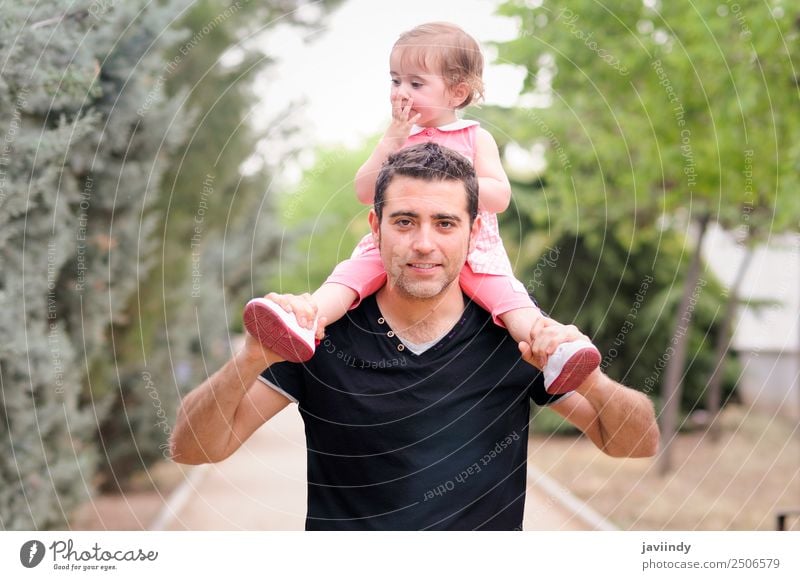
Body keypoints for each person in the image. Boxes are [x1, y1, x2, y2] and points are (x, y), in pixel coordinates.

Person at [171, 142, 660, 531]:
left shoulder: (515, 340)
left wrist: (591, 380)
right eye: (404, 221)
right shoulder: (316, 336)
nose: (423, 243)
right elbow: (194, 449)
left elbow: (634, 444)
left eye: (445, 223)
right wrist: (252, 358)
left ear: (473, 233)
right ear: (375, 227)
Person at [242, 22, 600, 395]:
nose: (401, 92)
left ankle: (554, 348)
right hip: (402, 245)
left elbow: (500, 195)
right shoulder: (398, 138)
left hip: (472, 250)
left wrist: (449, 185)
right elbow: (365, 190)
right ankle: (304, 319)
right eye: (395, 80)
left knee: (511, 305)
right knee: (349, 277)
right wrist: (392, 139)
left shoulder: (475, 137)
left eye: (415, 83)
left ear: (457, 91)